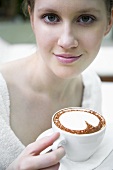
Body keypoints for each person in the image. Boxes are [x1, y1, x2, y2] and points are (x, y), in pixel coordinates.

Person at [0, 0, 113, 169]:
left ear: (109, 22)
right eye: (51, 17)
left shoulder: (90, 87)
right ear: (32, 18)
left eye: (85, 19)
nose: (66, 42)